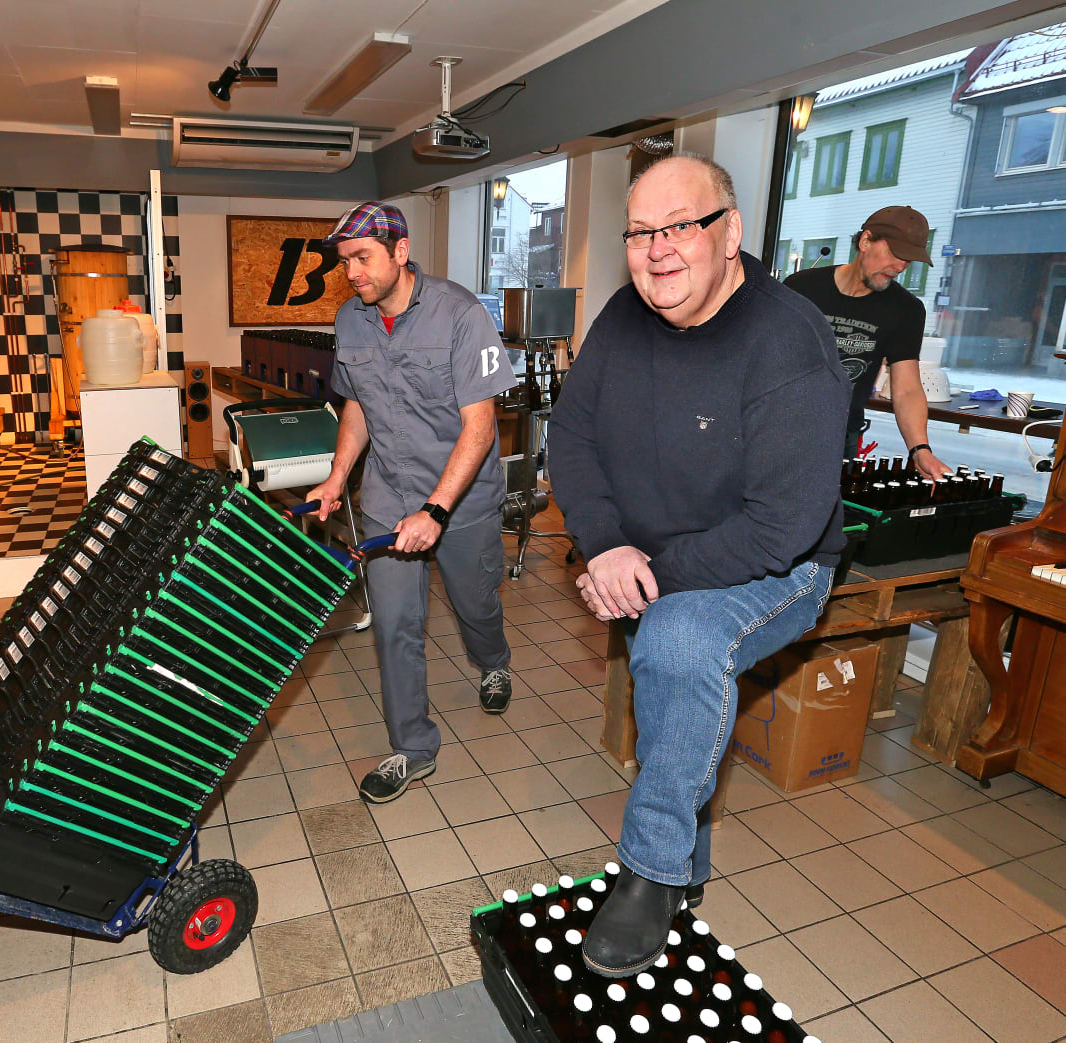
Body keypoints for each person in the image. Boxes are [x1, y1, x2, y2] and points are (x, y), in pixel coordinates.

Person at [547, 155, 846, 977]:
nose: (658, 249)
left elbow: (780, 527)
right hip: (653, 551)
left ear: (730, 231)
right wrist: (603, 545)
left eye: (681, 225)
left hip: (776, 565)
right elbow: (570, 435)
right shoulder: (623, 316)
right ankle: (686, 861)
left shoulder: (787, 341)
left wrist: (643, 574)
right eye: (640, 232)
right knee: (672, 674)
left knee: (677, 641)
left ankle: (652, 870)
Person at [308, 202, 517, 804]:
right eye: (345, 262)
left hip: (461, 501)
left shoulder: (461, 314)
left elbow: (480, 427)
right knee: (395, 623)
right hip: (387, 493)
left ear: (401, 251)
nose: (352, 273)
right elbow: (357, 404)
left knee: (475, 605)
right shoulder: (351, 320)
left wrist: (437, 511)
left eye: (362, 258)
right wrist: (337, 476)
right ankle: (413, 747)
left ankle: (493, 660)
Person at [785, 206, 951, 478]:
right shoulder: (801, 288)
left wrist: (920, 449)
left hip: (838, 438)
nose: (900, 266)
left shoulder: (905, 309)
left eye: (908, 260)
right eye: (895, 253)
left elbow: (907, 388)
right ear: (865, 241)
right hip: (775, 426)